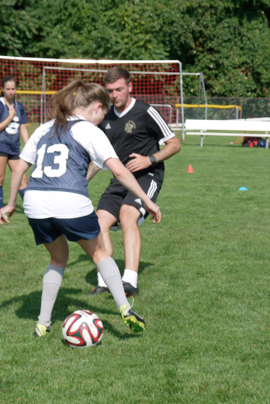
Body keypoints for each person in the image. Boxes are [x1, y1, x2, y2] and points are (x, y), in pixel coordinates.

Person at [0, 80, 161, 337]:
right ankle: (125, 308)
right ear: (97, 107)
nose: (102, 120)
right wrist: (147, 200)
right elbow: (119, 170)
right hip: (70, 201)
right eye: (103, 114)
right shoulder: (89, 130)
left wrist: (9, 204)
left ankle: (43, 322)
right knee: (100, 254)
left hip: (35, 203)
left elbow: (19, 167)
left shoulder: (45, 128)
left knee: (58, 258)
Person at [86, 67, 181, 296]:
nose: (114, 95)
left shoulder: (146, 111)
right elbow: (100, 159)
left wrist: (149, 160)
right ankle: (104, 281)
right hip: (120, 179)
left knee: (128, 214)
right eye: (110, 91)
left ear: (130, 87)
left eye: (119, 89)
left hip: (148, 176)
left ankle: (130, 281)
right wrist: (81, 182)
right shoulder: (105, 117)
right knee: (98, 222)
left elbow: (175, 144)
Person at [0, 75, 29, 214]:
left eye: (13, 89)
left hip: (14, 147)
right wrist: (10, 117)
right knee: (0, 177)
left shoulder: (19, 105)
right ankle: (0, 210)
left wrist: (29, 146)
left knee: (23, 179)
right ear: (2, 89)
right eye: (8, 89)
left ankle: (31, 209)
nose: (11, 92)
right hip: (0, 145)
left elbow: (23, 127)